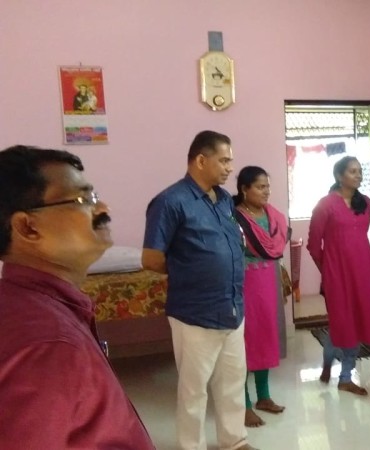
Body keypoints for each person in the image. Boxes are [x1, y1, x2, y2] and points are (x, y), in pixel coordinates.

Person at [0, 145, 154, 448]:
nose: (103, 208)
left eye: (94, 197)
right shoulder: (48, 345)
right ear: (28, 227)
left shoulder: (34, 307)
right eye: (83, 200)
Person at [142, 130, 256, 450]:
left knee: (233, 381)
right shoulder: (170, 202)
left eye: (231, 161)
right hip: (195, 312)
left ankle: (234, 441)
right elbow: (151, 258)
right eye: (224, 160)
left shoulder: (224, 200)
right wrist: (191, 269)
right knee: (194, 389)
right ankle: (192, 446)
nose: (230, 168)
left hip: (232, 308)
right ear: (201, 160)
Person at [307, 155, 370, 396]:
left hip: (363, 270)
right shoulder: (325, 205)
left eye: (359, 171)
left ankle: (345, 377)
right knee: (341, 322)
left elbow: (360, 236)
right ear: (339, 176)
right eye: (352, 171)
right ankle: (328, 361)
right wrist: (328, 269)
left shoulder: (365, 203)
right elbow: (314, 245)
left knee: (357, 320)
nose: (358, 175)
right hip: (336, 273)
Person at [232, 166, 289, 428]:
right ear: (244, 190)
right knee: (244, 342)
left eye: (267, 186)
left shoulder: (272, 216)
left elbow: (276, 247)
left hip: (268, 282)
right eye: (260, 187)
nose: (266, 191)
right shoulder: (234, 218)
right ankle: (243, 404)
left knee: (265, 336)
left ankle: (264, 397)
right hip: (244, 283)